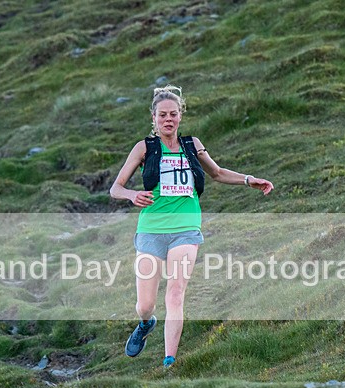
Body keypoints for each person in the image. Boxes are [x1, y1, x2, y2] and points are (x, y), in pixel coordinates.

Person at [109, 85, 274, 368]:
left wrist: (249, 179)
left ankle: (169, 360)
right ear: (154, 117)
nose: (168, 120)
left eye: (173, 114)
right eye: (162, 115)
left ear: (180, 116)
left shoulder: (192, 145)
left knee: (175, 292)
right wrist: (131, 195)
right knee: (145, 305)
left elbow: (218, 173)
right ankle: (146, 323)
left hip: (186, 229)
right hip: (151, 230)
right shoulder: (144, 148)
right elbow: (116, 187)